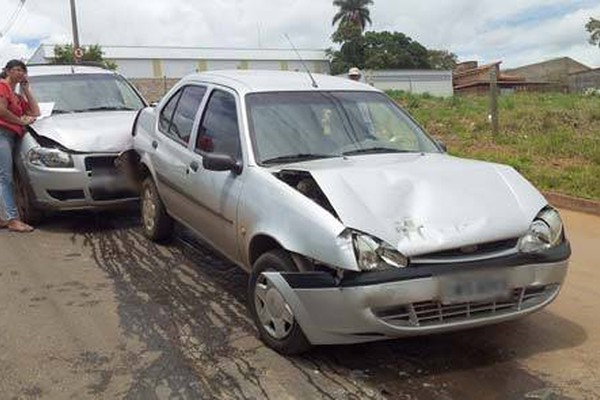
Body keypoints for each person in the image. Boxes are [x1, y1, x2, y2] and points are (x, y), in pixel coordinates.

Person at [0, 60, 40, 232]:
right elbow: (0, 111)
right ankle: (12, 219)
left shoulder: (15, 95)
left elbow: (35, 112)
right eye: (17, 70)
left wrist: (26, 89)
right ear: (8, 71)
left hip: (10, 136)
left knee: (4, 177)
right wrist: (20, 122)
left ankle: (4, 217)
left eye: (24, 71)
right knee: (5, 178)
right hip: (2, 134)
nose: (21, 73)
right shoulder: (2, 87)